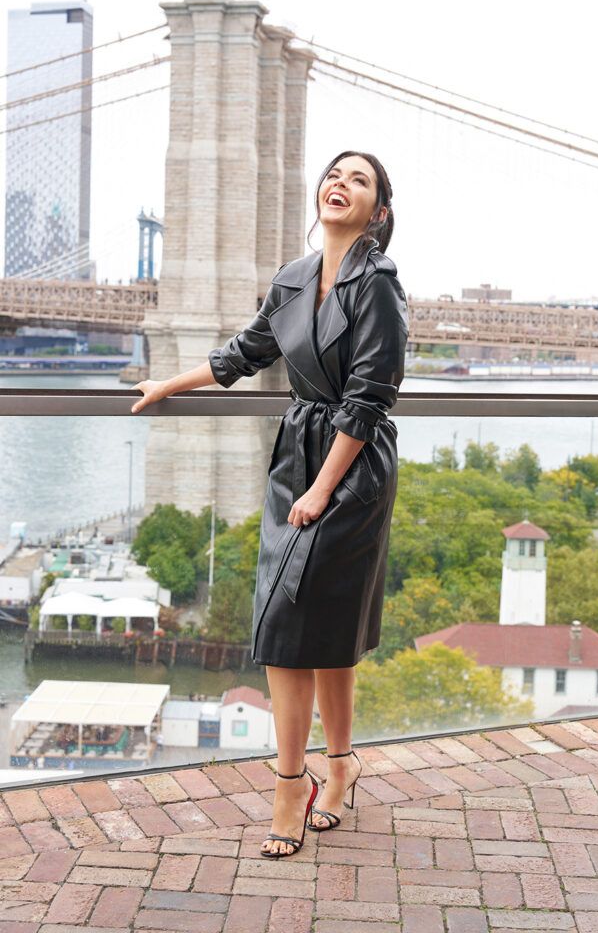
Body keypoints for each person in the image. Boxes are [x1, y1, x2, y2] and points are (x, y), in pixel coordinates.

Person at [131, 151, 409, 860]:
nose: (338, 184)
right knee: (300, 626)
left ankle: (293, 784)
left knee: (305, 623)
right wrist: (169, 384)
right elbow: (244, 353)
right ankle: (332, 769)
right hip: (295, 458)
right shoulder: (290, 278)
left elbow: (370, 397)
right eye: (332, 174)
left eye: (358, 181)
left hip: (350, 467)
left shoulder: (377, 284)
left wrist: (323, 490)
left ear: (377, 214)